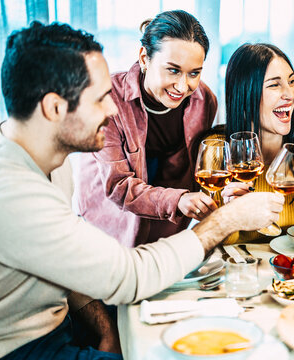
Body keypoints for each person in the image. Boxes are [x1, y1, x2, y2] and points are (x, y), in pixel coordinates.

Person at [0, 21, 284, 359]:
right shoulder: (13, 192)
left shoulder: (51, 162)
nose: (111, 108)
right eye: (101, 98)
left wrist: (104, 328)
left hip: (63, 324)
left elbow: (63, 265)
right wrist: (225, 220)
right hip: (24, 348)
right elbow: (129, 275)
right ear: (54, 108)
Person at [72, 10, 218, 248]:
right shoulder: (108, 99)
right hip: (108, 231)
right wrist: (179, 200)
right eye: (173, 70)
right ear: (144, 57)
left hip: (169, 228)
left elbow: (201, 169)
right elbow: (118, 186)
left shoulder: (205, 100)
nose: (183, 86)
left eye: (194, 73)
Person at [204, 43, 294, 244]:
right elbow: (220, 246)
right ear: (245, 93)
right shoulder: (216, 149)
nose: (290, 94)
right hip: (239, 272)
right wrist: (230, 216)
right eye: (274, 85)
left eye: (291, 82)